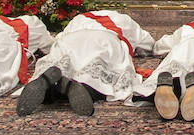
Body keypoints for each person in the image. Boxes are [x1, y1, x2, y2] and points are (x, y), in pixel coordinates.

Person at [18, 10, 156, 116]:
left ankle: (50, 85)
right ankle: (85, 87)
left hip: (70, 38)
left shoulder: (77, 19)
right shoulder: (125, 20)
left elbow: (57, 40)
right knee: (99, 69)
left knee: (61, 61)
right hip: (105, 39)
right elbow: (149, 45)